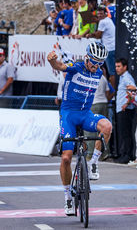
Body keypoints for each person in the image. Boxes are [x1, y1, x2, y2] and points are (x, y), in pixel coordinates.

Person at [47, 41, 112, 216]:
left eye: (99, 63)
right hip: (68, 114)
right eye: (93, 61)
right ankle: (67, 195)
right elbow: (60, 65)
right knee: (66, 158)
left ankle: (93, 164)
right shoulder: (76, 67)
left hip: (86, 114)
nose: (95, 66)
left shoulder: (98, 73)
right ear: (86, 58)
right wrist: (52, 61)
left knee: (107, 126)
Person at [86, 5, 116, 88]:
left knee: (112, 73)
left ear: (105, 13)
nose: (99, 15)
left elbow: (98, 35)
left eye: (101, 14)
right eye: (98, 14)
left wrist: (90, 35)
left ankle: (114, 93)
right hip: (111, 49)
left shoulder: (103, 22)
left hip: (109, 50)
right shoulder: (107, 20)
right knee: (106, 71)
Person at [115, 58, 137, 164]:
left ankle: (128, 155)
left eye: (119, 66)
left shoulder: (127, 77)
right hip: (122, 108)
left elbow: (132, 90)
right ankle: (124, 154)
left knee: (126, 133)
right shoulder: (122, 78)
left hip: (126, 109)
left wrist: (127, 103)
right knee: (123, 133)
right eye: (116, 66)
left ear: (125, 67)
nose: (117, 69)